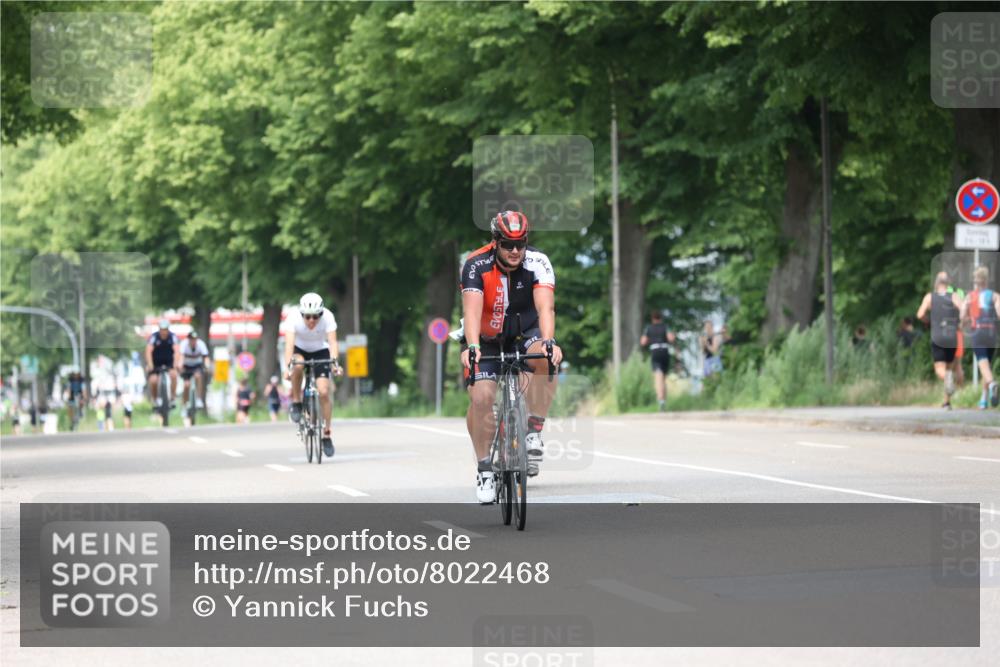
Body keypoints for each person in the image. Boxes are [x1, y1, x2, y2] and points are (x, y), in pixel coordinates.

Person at [460, 210, 562, 503]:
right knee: (481, 398)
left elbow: (546, 309)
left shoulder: (538, 261)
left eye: (521, 243)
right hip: (485, 338)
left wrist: (548, 341)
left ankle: (533, 429)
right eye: (508, 244)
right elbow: (471, 311)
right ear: (495, 242)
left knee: (546, 357)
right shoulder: (476, 264)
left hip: (524, 331)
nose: (516, 250)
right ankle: (484, 469)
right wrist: (473, 346)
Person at [284, 292, 343, 457]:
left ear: (321, 313)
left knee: (324, 392)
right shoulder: (293, 318)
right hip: (299, 349)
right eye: (308, 317)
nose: (312, 321)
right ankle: (296, 402)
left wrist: (335, 364)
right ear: (302, 314)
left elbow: (332, 343)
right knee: (298, 364)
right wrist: (287, 367)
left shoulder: (329, 317)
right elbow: (289, 345)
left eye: (316, 316)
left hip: (320, 351)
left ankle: (326, 434)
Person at [917, 271, 962, 409]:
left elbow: (920, 314)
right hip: (952, 335)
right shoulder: (954, 296)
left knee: (939, 369)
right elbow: (964, 309)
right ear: (947, 283)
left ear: (936, 283)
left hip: (937, 335)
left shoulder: (930, 297)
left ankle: (947, 385)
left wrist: (929, 321)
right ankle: (947, 402)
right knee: (949, 368)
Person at [961, 266, 1000, 409]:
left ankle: (993, 384)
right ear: (986, 279)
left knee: (983, 365)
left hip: (978, 333)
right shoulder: (995, 295)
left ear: (975, 280)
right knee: (986, 366)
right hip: (991, 334)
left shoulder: (970, 297)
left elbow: (962, 317)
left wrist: (964, 321)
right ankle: (984, 399)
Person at [640, 310, 676, 411]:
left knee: (658, 378)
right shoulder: (665, 327)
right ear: (661, 318)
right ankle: (663, 400)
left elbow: (643, 342)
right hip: (665, 352)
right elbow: (671, 339)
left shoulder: (649, 328)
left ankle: (660, 400)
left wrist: (650, 339)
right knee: (663, 379)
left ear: (652, 319)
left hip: (655, 352)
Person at [145, 318, 181, 409]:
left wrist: (176, 364)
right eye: (162, 329)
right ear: (159, 329)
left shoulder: (173, 337)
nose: (164, 332)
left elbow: (177, 351)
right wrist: (150, 364)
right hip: (156, 361)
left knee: (174, 375)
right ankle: (155, 399)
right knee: (153, 380)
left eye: (165, 330)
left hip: (169, 361)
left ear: (168, 329)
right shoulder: (154, 337)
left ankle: (172, 397)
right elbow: (148, 351)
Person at [180, 330, 211, 415]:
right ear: (188, 339)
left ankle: (198, 399)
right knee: (186, 385)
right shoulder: (184, 345)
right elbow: (181, 357)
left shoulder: (201, 344)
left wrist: (207, 366)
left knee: (198, 376)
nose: (193, 341)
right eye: (191, 339)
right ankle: (184, 405)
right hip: (186, 366)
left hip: (197, 365)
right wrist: (180, 366)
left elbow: (206, 357)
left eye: (195, 339)